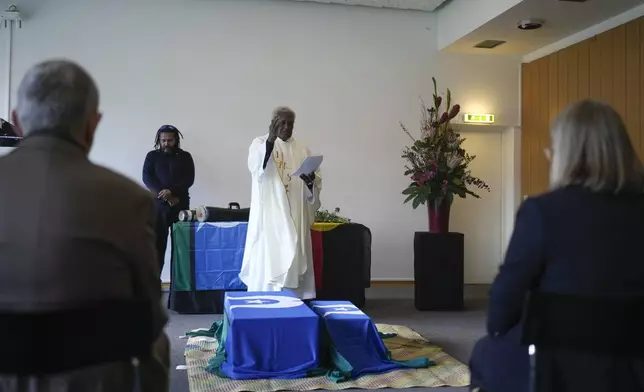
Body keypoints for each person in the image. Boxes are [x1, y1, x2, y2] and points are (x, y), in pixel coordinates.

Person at [0, 60, 169, 391]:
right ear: (93, 123)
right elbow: (148, 317)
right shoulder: (128, 199)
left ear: (17, 121)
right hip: (93, 379)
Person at [469, 100, 644, 392]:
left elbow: (503, 304)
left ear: (566, 153)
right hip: (634, 366)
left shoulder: (543, 212)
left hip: (557, 367)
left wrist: (500, 331)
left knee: (485, 353)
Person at [239, 106, 322, 299]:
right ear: (273, 122)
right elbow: (256, 168)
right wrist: (270, 139)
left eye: (290, 123)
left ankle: (296, 297)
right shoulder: (260, 142)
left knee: (295, 247)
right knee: (271, 249)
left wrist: (310, 182)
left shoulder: (302, 148)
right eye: (282, 122)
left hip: (295, 210)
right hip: (271, 211)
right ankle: (267, 295)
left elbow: (315, 182)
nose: (286, 127)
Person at [142, 125, 195, 273]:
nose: (166, 143)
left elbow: (189, 179)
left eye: (169, 140)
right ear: (159, 140)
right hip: (158, 207)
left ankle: (179, 287)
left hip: (180, 205)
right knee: (157, 246)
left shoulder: (186, 156)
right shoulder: (152, 156)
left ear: (176, 140)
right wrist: (164, 194)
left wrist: (172, 192)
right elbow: (147, 178)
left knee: (181, 248)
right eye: (163, 140)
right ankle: (155, 283)